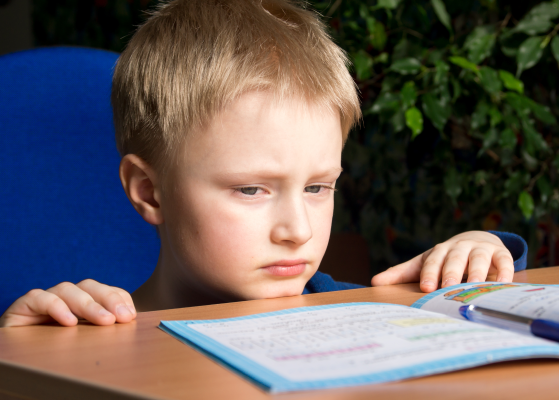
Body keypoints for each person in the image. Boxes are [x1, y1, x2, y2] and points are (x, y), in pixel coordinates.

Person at [0, 0, 526, 328]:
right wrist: (20, 363)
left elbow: (488, 321)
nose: (297, 231)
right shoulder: (92, 337)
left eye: (319, 188)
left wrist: (479, 256)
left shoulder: (349, 310)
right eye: (252, 190)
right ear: (149, 192)